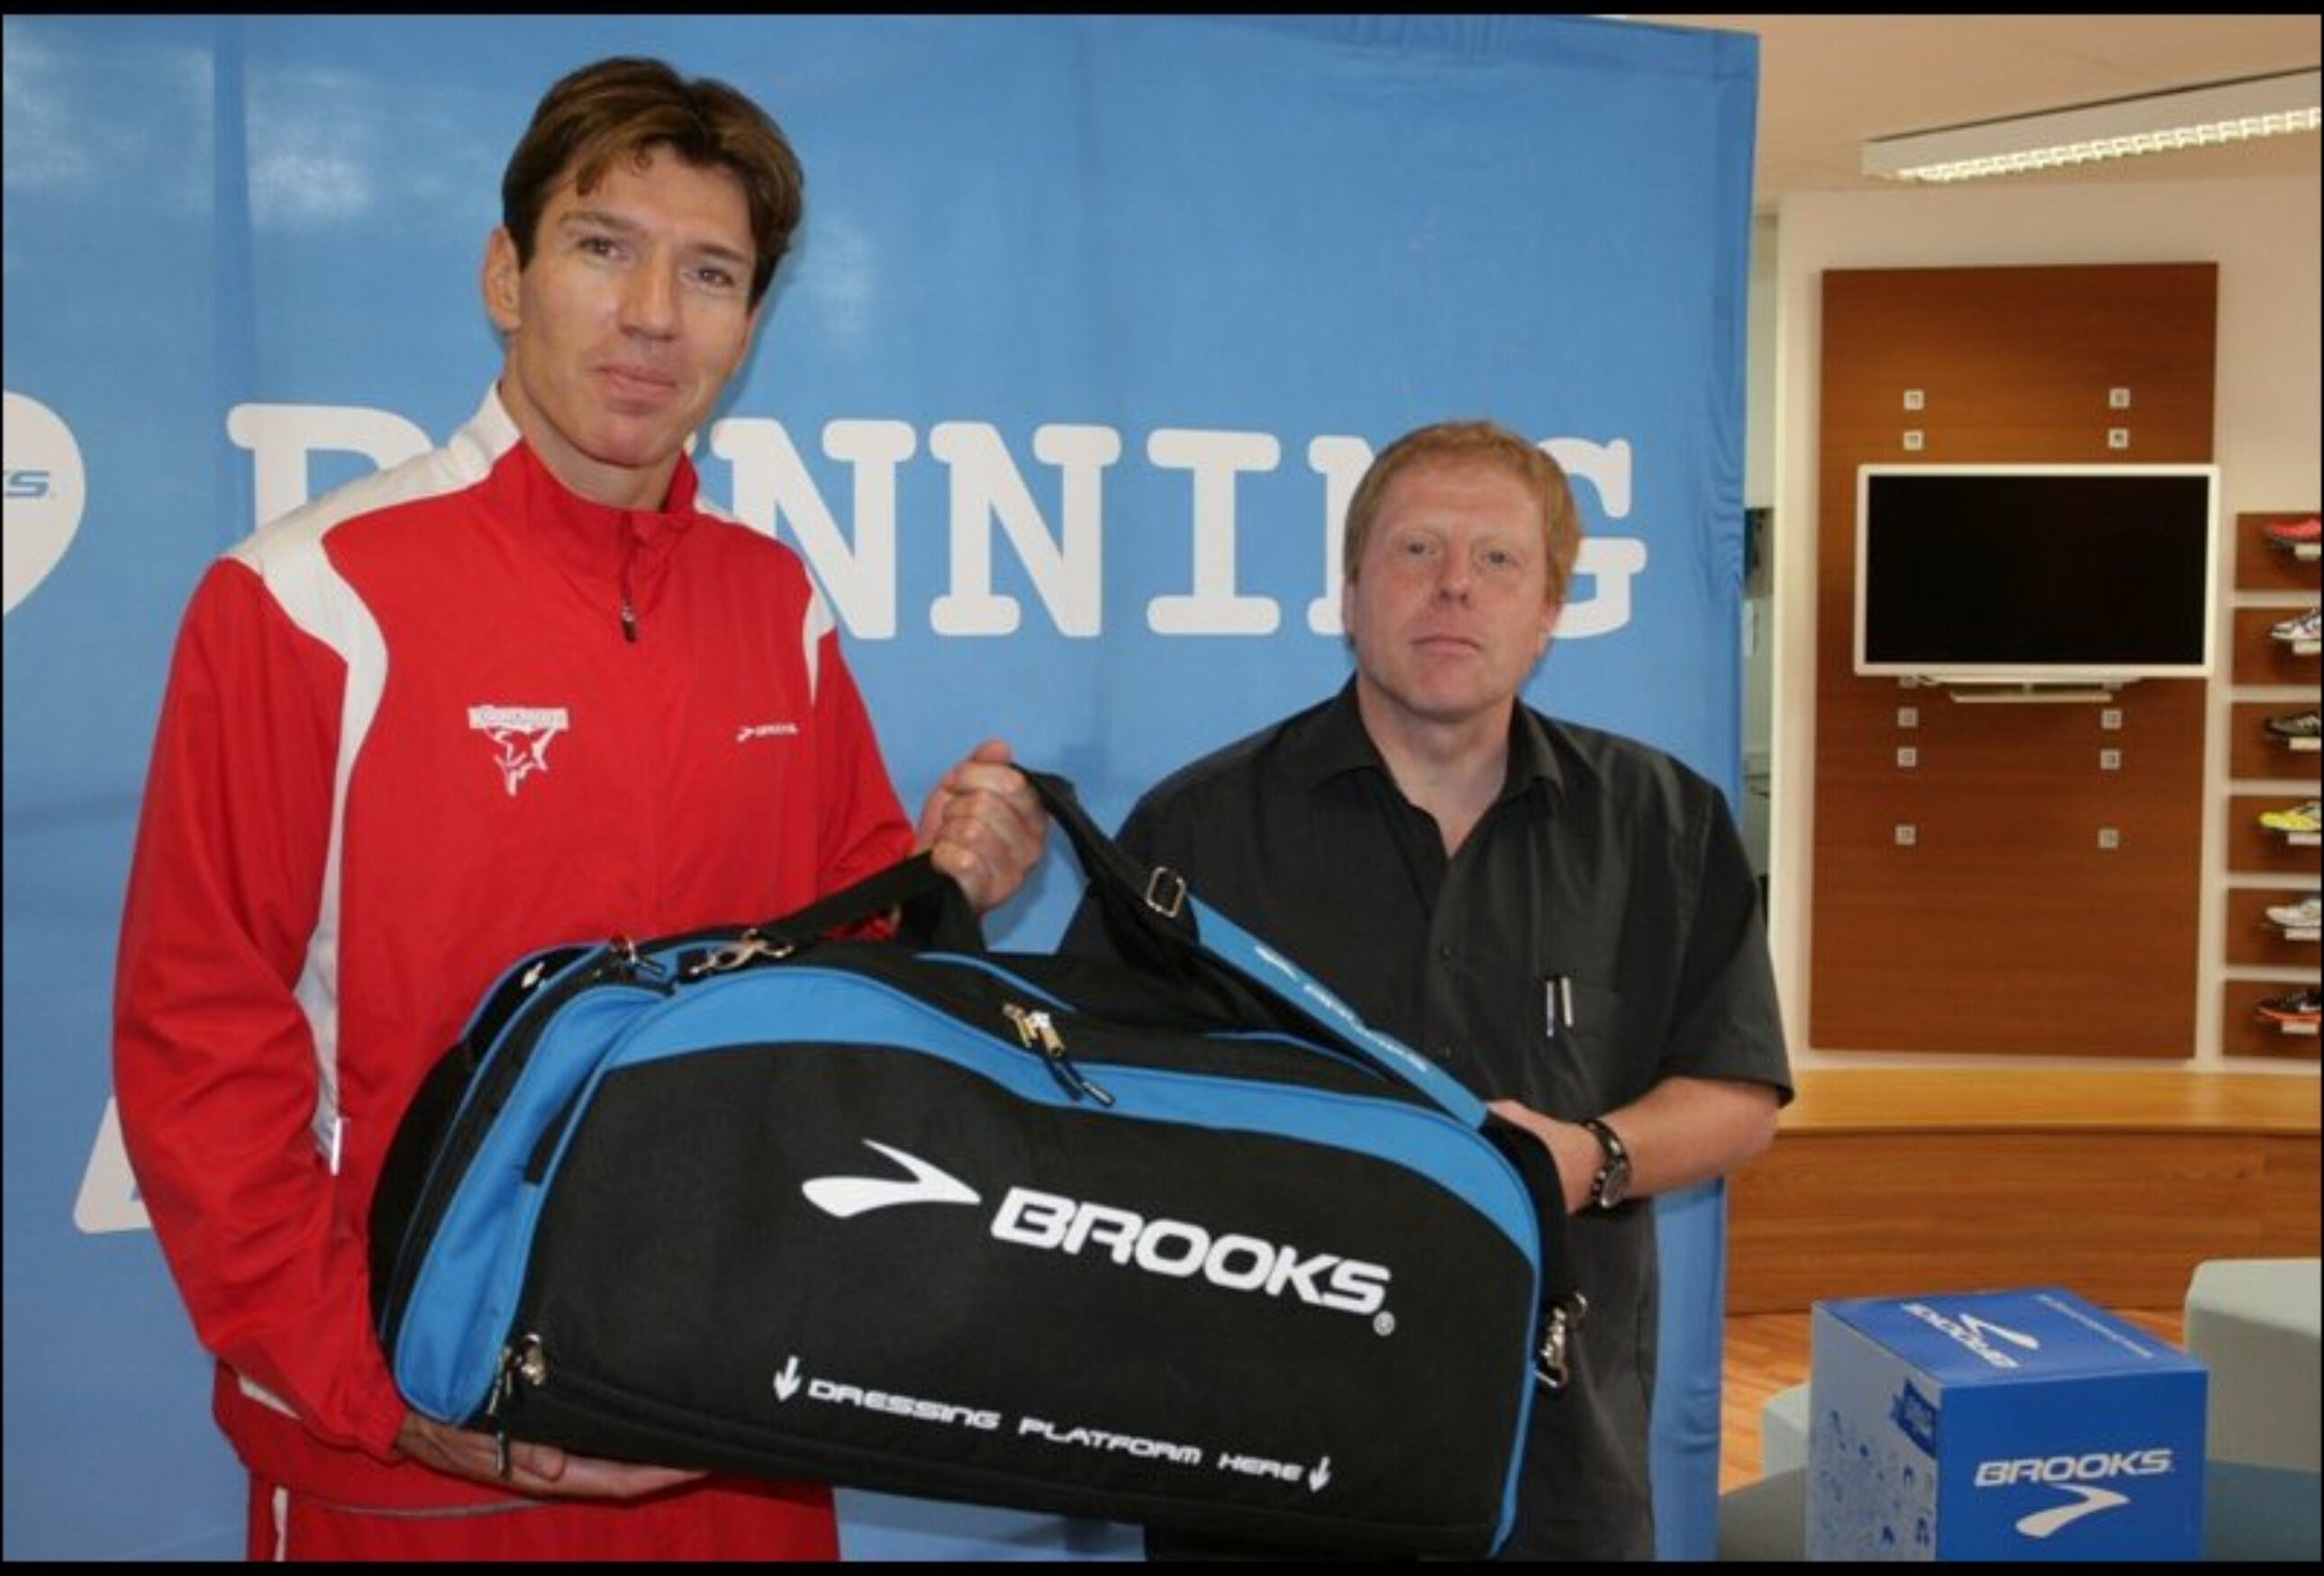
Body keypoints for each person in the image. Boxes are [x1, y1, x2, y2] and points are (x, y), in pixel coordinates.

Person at [112, 57, 1047, 1561]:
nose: (655, 314)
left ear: (750, 325)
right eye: (605, 247)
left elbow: (837, 972)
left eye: (711, 273)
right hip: (415, 1453)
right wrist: (378, 1386)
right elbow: (197, 1041)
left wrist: (943, 881)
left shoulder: (775, 600)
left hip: (732, 1426)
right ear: (508, 274)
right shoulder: (305, 597)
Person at [1064, 420, 1792, 1560]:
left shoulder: (1664, 825)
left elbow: (1738, 1094)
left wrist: (1590, 1155)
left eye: (1498, 558)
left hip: (1555, 1471)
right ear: (1350, 593)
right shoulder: (1194, 832)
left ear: (1549, 611)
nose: (1455, 584)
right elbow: (1086, 1102)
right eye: (1415, 549)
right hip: (1261, 1466)